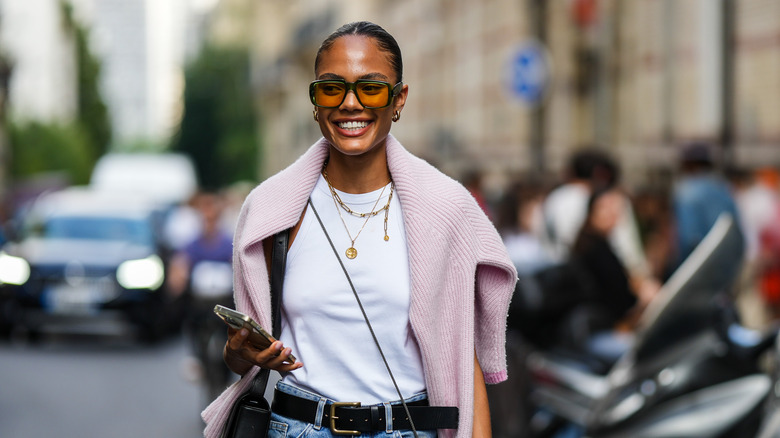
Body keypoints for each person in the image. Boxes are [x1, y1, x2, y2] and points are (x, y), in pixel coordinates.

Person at [201, 22, 517, 438]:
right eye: (332, 88)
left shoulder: (446, 209)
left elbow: (462, 355)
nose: (350, 104)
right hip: (299, 428)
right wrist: (238, 352)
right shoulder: (271, 210)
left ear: (399, 99)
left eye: (370, 88)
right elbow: (245, 360)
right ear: (315, 101)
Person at [569, 187, 653, 360]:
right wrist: (642, 297)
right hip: (599, 331)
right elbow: (618, 297)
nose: (612, 213)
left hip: (602, 326)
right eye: (605, 207)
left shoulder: (596, 242)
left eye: (617, 208)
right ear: (592, 211)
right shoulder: (595, 249)